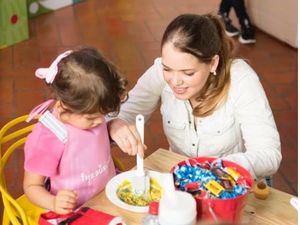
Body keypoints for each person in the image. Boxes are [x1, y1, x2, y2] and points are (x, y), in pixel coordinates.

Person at [108, 14, 281, 181]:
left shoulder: (240, 78)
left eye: (188, 73)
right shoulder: (160, 72)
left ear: (213, 63)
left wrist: (210, 169)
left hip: (232, 186)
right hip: (183, 186)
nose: (175, 81)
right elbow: (123, 113)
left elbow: (268, 154)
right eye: (167, 69)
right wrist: (114, 124)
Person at [23, 47, 128, 214]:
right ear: (63, 106)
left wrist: (113, 128)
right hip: (74, 211)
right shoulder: (48, 138)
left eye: (104, 115)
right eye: (92, 118)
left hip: (106, 196)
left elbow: (92, 144)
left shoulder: (90, 113)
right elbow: (31, 186)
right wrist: (54, 202)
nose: (100, 121)